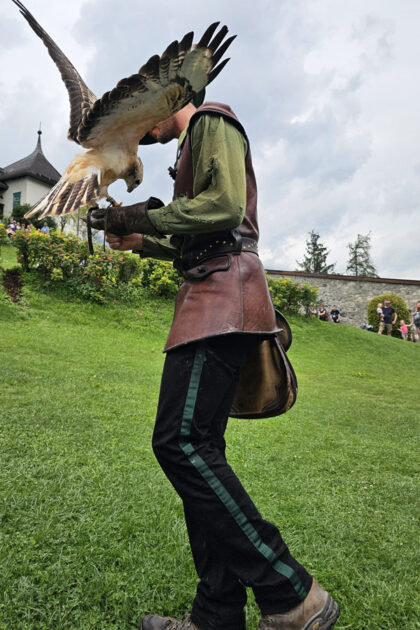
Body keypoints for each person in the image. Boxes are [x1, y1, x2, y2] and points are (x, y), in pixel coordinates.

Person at [90, 97, 339, 630]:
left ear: (172, 95)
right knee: (199, 450)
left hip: (223, 296)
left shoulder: (211, 121)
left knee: (181, 444)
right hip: (209, 292)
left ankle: (291, 592)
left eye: (141, 117)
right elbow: (199, 233)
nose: (138, 131)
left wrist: (140, 213)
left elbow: (226, 211)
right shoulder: (188, 145)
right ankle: (216, 617)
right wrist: (142, 239)